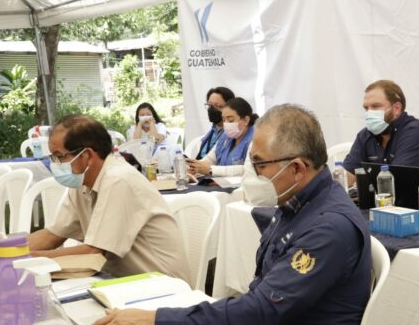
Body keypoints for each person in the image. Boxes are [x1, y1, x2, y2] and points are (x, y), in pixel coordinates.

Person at [82, 104, 372, 325]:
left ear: (296, 168)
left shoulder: (327, 226)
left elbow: (259, 309)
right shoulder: (295, 204)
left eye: (259, 164)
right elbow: (258, 302)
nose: (252, 173)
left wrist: (155, 321)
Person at [27, 115, 189, 280]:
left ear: (87, 155)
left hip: (160, 287)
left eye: (60, 156)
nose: (55, 164)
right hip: (118, 282)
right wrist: (7, 252)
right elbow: (53, 235)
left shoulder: (118, 180)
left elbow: (92, 253)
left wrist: (29, 260)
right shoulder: (82, 181)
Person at [342, 80, 419, 185]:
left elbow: (395, 182)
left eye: (375, 106)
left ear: (397, 109)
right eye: (366, 108)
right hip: (379, 200)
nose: (369, 112)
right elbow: (346, 176)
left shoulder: (416, 133)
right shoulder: (365, 135)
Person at [187, 97, 257, 178]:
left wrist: (211, 170)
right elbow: (210, 159)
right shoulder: (225, 136)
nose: (226, 124)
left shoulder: (256, 138)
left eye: (230, 120)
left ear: (246, 120)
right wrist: (195, 167)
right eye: (224, 120)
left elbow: (248, 169)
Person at [187, 86, 235, 159]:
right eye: (209, 105)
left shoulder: (233, 134)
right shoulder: (212, 132)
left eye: (217, 106)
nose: (212, 109)